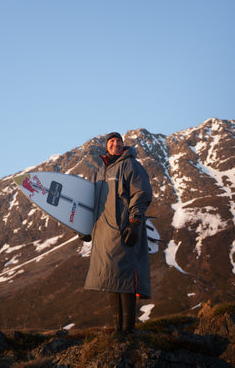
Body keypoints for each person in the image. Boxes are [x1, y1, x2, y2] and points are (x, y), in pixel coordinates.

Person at [84, 132, 153, 333]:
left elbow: (141, 192)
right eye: (111, 141)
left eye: (119, 141)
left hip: (123, 229)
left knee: (125, 279)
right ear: (107, 146)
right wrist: (86, 228)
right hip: (103, 234)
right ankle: (117, 329)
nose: (115, 143)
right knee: (109, 278)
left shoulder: (131, 165)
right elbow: (91, 203)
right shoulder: (99, 171)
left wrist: (135, 220)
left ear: (123, 145)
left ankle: (128, 330)